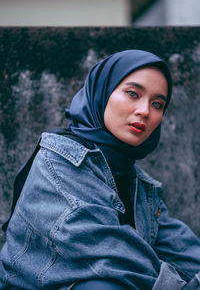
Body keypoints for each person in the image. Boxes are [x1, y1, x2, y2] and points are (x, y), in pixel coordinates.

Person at [0, 50, 200, 290]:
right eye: (132, 93)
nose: (145, 110)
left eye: (157, 104)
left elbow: (183, 250)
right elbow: (112, 252)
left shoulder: (139, 184)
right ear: (102, 92)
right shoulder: (59, 161)